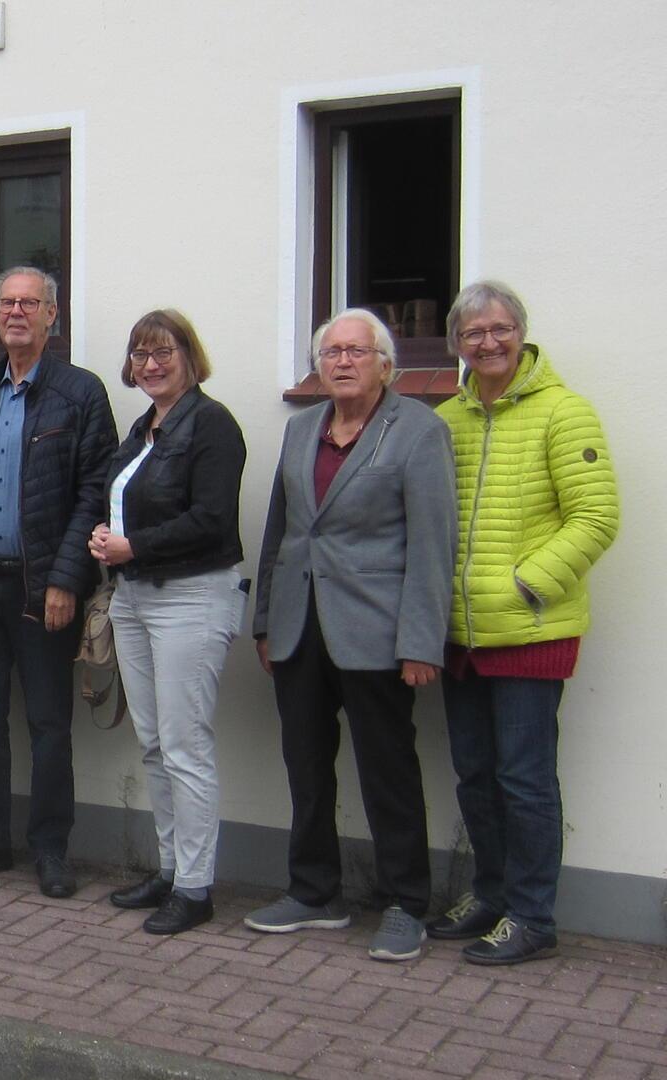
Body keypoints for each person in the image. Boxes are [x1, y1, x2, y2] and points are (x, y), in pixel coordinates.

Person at [247, 308, 457, 963]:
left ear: (385, 364)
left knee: (387, 767)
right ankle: (314, 892)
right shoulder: (303, 427)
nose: (341, 362)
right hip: (299, 626)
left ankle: (405, 903)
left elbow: (432, 543)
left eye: (355, 352)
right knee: (306, 766)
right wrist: (264, 620)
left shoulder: (418, 430)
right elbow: (280, 531)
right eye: (331, 352)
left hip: (376, 629)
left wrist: (422, 640)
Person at [429, 281, 619, 966]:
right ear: (457, 345)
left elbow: (596, 518)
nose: (489, 342)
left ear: (522, 334)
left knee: (525, 780)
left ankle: (533, 915)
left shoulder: (564, 413)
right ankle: (491, 895)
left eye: (500, 329)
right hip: (461, 634)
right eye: (474, 333)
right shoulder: (445, 420)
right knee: (475, 776)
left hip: (531, 632)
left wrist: (526, 584)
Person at [0, 267, 116, 897]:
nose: (16, 312)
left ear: (52, 314)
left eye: (29, 303)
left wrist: (67, 577)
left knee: (48, 724)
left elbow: (95, 491)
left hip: (43, 587)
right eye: (6, 302)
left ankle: (50, 849)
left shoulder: (80, 392)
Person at [86, 310, 247, 935]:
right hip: (134, 597)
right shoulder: (144, 428)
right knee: (153, 743)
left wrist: (136, 546)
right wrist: (108, 537)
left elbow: (212, 519)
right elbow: (128, 502)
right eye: (141, 355)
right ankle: (170, 867)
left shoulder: (211, 425)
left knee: (185, 746)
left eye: (163, 353)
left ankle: (197, 886)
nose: (151, 365)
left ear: (189, 355)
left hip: (190, 597)